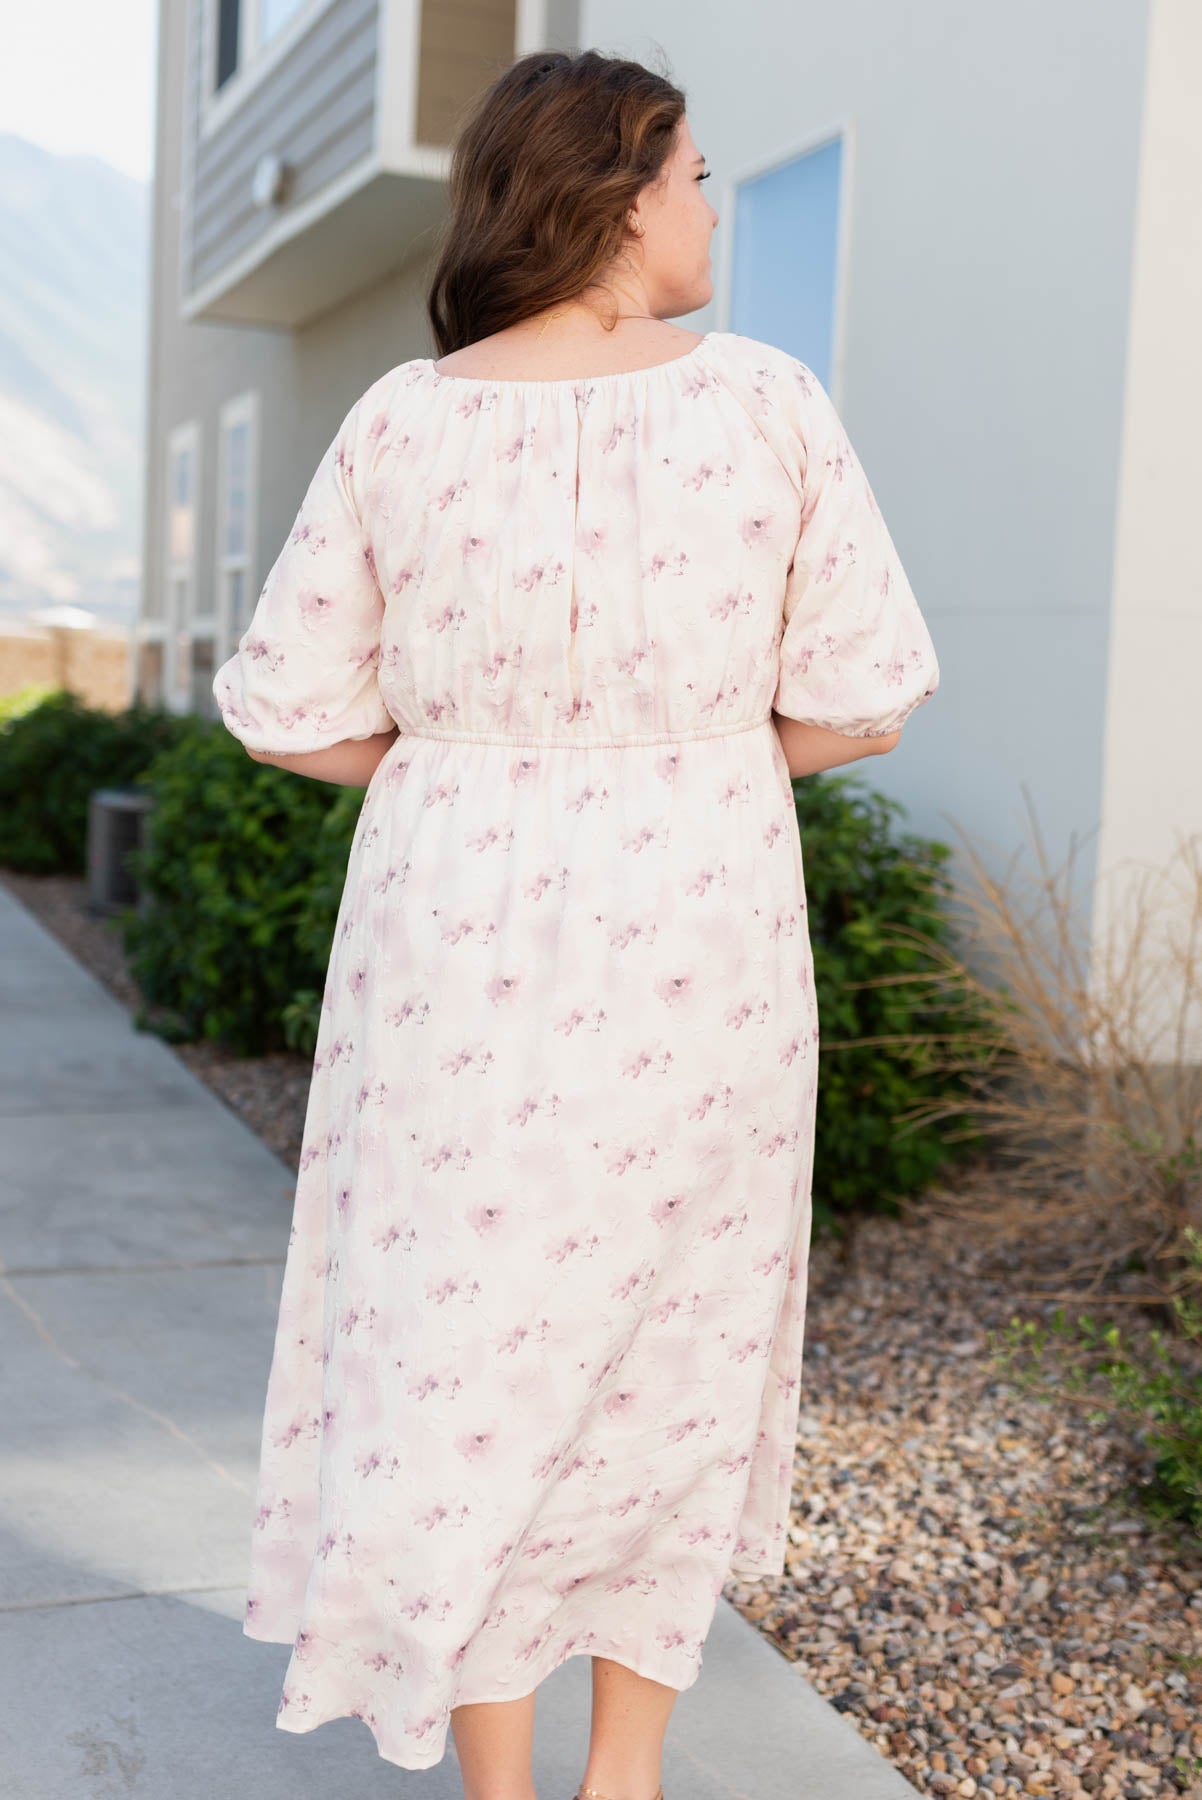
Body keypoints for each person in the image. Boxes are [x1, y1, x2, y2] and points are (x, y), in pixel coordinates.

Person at [211, 45, 940, 1800]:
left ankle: (498, 1789)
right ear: (619, 196)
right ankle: (625, 1782)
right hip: (699, 925)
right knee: (665, 1348)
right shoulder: (765, 401)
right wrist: (678, 765)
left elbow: (286, 706)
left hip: (453, 924)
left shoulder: (403, 417)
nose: (708, 211)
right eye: (694, 179)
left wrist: (471, 766)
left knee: (462, 1342)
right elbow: (865, 698)